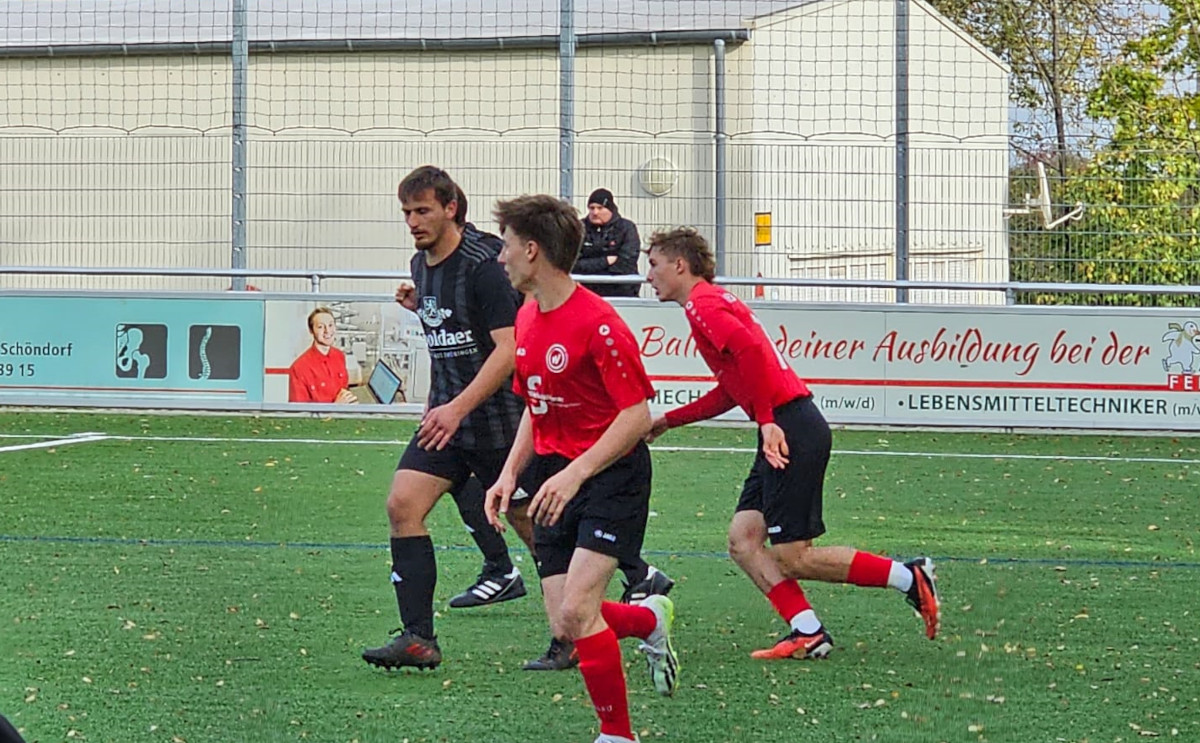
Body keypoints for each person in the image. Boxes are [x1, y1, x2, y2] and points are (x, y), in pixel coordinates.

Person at [643, 226, 940, 660]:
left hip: (791, 428)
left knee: (793, 556)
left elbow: (750, 352)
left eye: (653, 264)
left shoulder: (702, 304)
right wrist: (669, 420)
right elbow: (733, 388)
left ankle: (908, 577)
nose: (648, 275)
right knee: (744, 540)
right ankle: (808, 630)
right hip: (787, 423)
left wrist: (767, 422)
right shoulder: (710, 302)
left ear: (680, 265)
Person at [485, 193, 679, 743]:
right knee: (567, 622)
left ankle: (617, 734)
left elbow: (635, 415)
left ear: (532, 250)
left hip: (611, 475)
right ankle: (649, 619)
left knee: (578, 608)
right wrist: (509, 473)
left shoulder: (599, 323)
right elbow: (536, 405)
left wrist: (577, 474)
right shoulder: (527, 314)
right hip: (553, 474)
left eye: (506, 245)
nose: (500, 257)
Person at [361, 166, 535, 670]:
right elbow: (452, 334)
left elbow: (509, 350)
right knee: (402, 505)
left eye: (423, 211)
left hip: (500, 421)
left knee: (533, 524)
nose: (413, 222)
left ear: (451, 208)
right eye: (407, 213)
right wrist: (438, 403)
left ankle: (594, 610)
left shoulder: (484, 265)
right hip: (448, 422)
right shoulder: (421, 264)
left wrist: (458, 407)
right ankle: (419, 638)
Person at [572, 188, 642, 298]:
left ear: (610, 209)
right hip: (586, 294)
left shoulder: (626, 228)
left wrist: (590, 267)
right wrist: (605, 261)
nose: (595, 212)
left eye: (600, 208)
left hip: (621, 293)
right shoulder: (579, 229)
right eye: (592, 208)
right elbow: (573, 264)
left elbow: (626, 264)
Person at [287, 307, 357, 404]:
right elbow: (299, 412)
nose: (327, 331)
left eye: (330, 325)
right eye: (320, 327)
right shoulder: (299, 369)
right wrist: (336, 407)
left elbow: (344, 390)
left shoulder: (339, 356)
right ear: (311, 331)